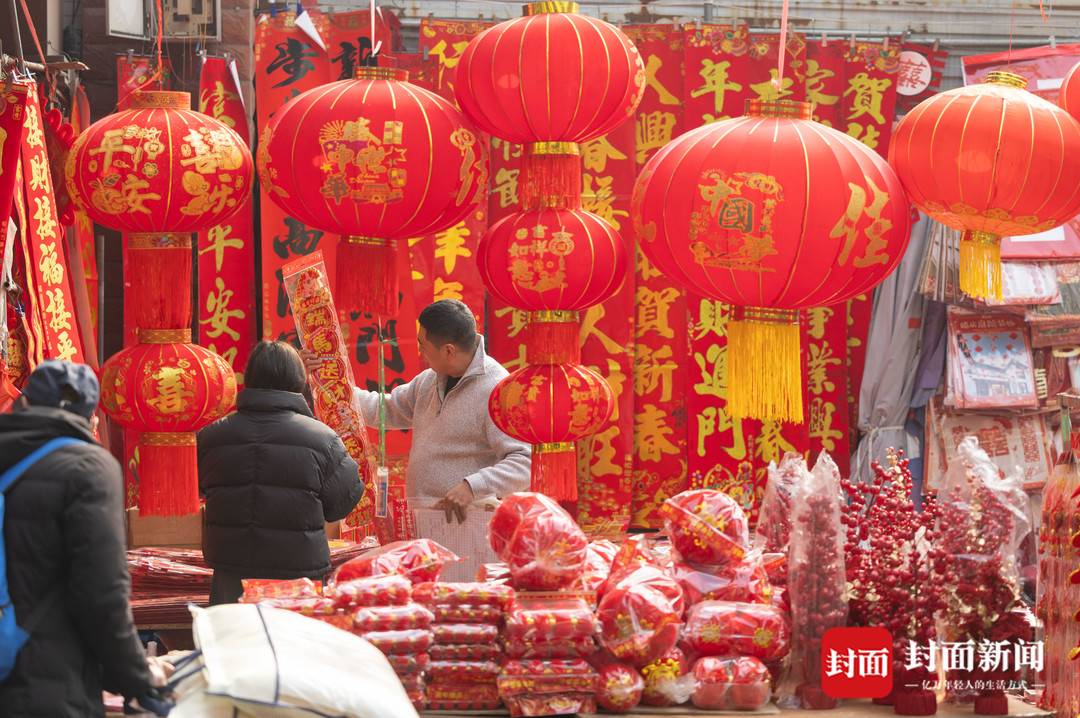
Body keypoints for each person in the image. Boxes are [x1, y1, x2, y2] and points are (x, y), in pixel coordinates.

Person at [0, 360, 169, 716]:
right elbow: (101, 594)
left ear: (23, 403)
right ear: (91, 420)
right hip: (42, 679)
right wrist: (136, 677)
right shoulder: (88, 467)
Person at [302, 299, 531, 520]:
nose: (420, 350)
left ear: (449, 351)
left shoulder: (498, 389)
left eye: (423, 344)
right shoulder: (429, 380)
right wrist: (328, 381)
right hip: (424, 518)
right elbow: (386, 409)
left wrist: (472, 486)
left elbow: (525, 462)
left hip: (470, 520)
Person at [198, 341, 365, 605]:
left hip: (231, 575)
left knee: (235, 643)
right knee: (295, 644)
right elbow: (342, 504)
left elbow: (197, 490)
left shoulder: (212, 435)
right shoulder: (322, 439)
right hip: (299, 578)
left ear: (249, 378)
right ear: (299, 381)